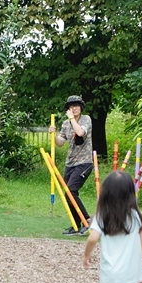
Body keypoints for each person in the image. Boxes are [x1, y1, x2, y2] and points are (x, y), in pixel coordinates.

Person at [48, 95, 93, 235]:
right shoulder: (66, 124)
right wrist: (53, 135)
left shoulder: (86, 119)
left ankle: (88, 220)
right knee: (68, 194)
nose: (74, 108)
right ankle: (76, 225)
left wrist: (72, 119)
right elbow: (60, 143)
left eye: (76, 106)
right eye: (71, 106)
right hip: (70, 163)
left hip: (84, 162)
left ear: (81, 107)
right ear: (68, 108)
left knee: (71, 190)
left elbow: (80, 132)